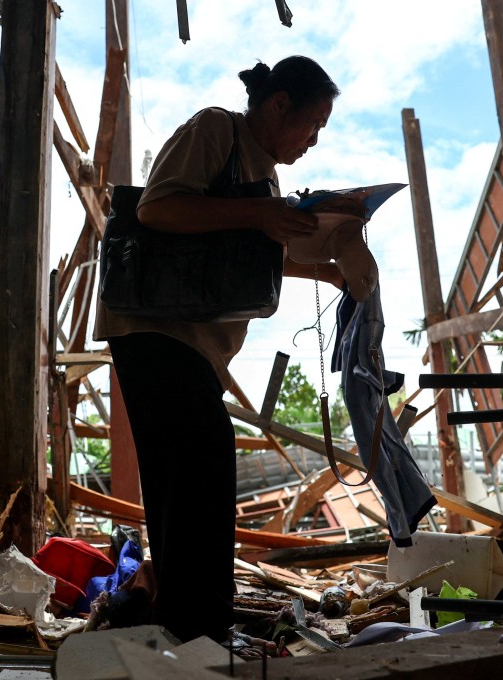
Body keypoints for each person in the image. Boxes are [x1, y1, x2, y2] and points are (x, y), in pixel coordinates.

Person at [94, 55, 350, 642]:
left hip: (199, 345)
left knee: (186, 478)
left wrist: (330, 269)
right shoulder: (217, 130)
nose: (314, 140)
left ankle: (180, 622)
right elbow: (158, 206)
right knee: (201, 464)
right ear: (279, 103)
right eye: (312, 124)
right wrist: (260, 213)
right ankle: (197, 627)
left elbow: (251, 251)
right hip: (155, 330)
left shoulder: (268, 181)